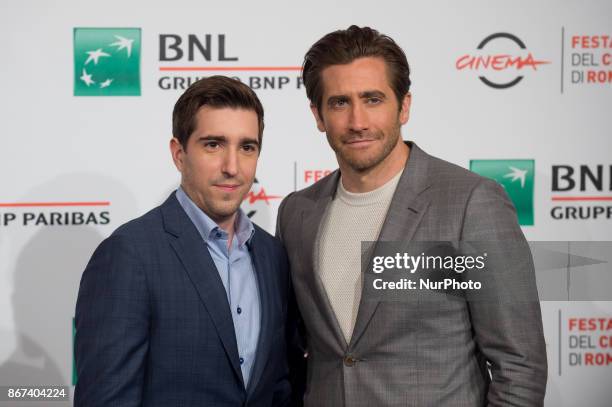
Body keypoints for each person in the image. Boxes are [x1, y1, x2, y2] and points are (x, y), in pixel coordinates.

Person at [276, 26, 547, 406]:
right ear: (318, 115)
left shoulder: (471, 203)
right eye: (339, 103)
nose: (357, 121)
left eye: (373, 99)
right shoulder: (297, 212)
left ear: (404, 106)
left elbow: (519, 366)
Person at [75, 76, 293, 407]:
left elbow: (278, 387)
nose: (232, 167)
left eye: (247, 147)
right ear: (179, 154)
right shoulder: (130, 254)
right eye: (213, 145)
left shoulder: (272, 255)